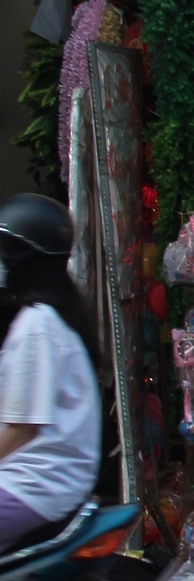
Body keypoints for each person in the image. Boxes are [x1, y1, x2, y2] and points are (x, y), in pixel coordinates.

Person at [0, 195, 101, 550]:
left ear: (19, 257)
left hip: (33, 485)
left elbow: (23, 428)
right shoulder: (50, 319)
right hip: (40, 482)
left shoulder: (36, 326)